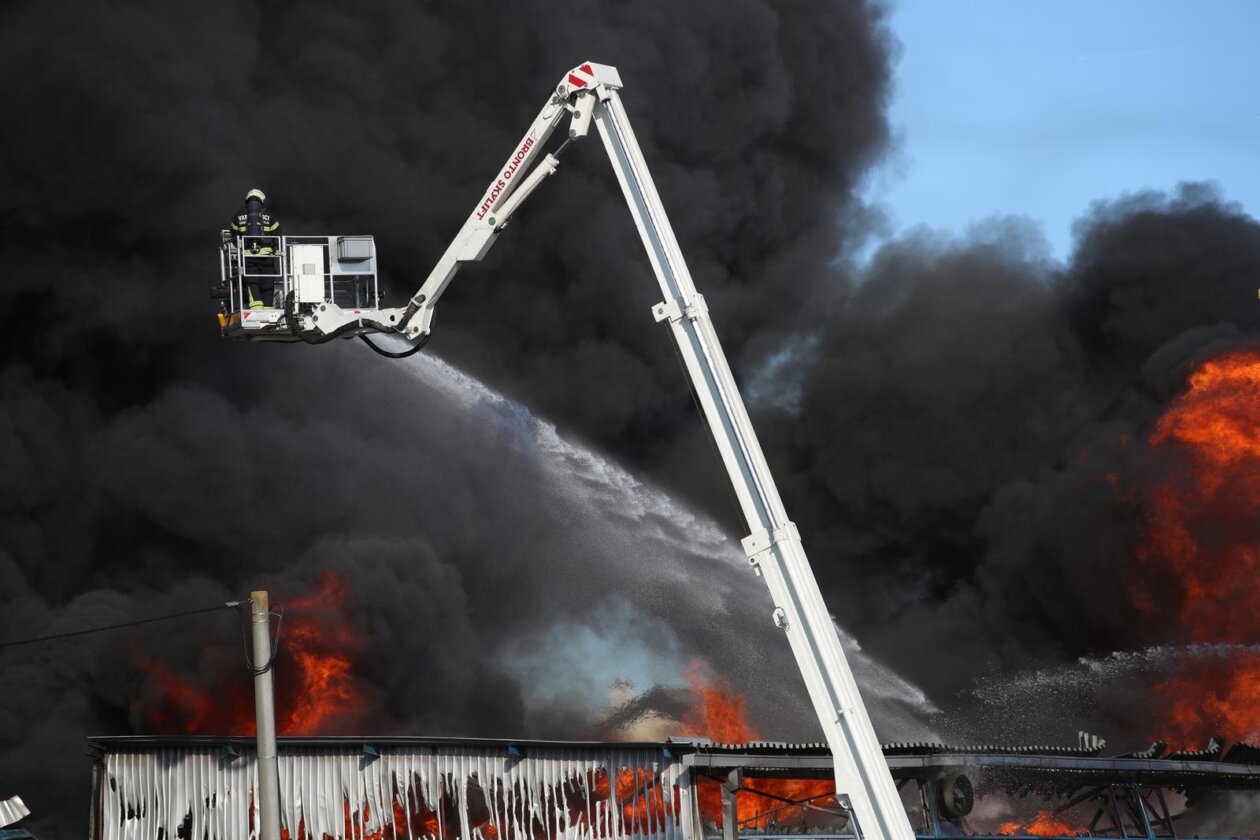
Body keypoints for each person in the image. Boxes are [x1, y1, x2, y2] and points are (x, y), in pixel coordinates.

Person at [229, 188, 282, 308]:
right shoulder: (269, 216)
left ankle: (257, 310)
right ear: (262, 201)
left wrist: (242, 248)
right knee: (268, 284)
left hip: (249, 257)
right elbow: (277, 235)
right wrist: (273, 248)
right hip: (267, 257)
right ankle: (268, 310)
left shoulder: (238, 216)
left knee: (252, 283)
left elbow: (234, 236)